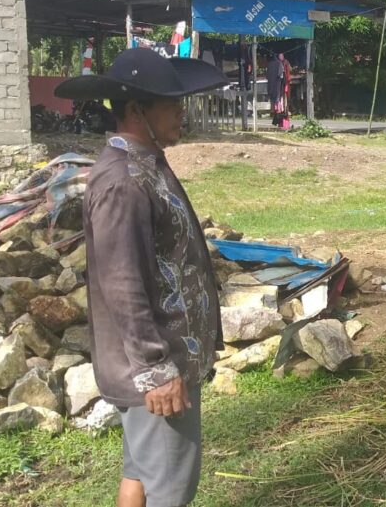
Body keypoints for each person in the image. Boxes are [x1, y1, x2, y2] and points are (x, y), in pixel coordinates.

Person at [55, 48, 227, 507]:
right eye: (172, 105)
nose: (182, 114)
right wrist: (156, 369)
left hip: (163, 360)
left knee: (142, 474)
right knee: (170, 488)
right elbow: (122, 282)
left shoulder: (146, 162)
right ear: (137, 110)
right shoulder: (124, 181)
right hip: (156, 368)